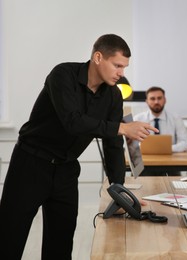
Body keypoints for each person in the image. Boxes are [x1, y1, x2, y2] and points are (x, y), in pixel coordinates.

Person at [0, 34, 158, 260]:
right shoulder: (62, 75)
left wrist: (119, 191)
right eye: (117, 65)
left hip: (66, 169)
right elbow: (72, 121)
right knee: (9, 238)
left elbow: (112, 144)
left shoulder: (113, 95)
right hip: (30, 164)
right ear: (98, 57)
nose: (121, 73)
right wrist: (122, 128)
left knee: (61, 244)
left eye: (124, 67)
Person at [134, 86, 187, 152]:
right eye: (152, 99)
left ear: (165, 100)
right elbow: (132, 144)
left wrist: (166, 149)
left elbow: (186, 143)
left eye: (159, 98)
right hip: (146, 159)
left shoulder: (176, 118)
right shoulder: (137, 119)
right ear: (147, 101)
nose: (156, 102)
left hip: (170, 159)